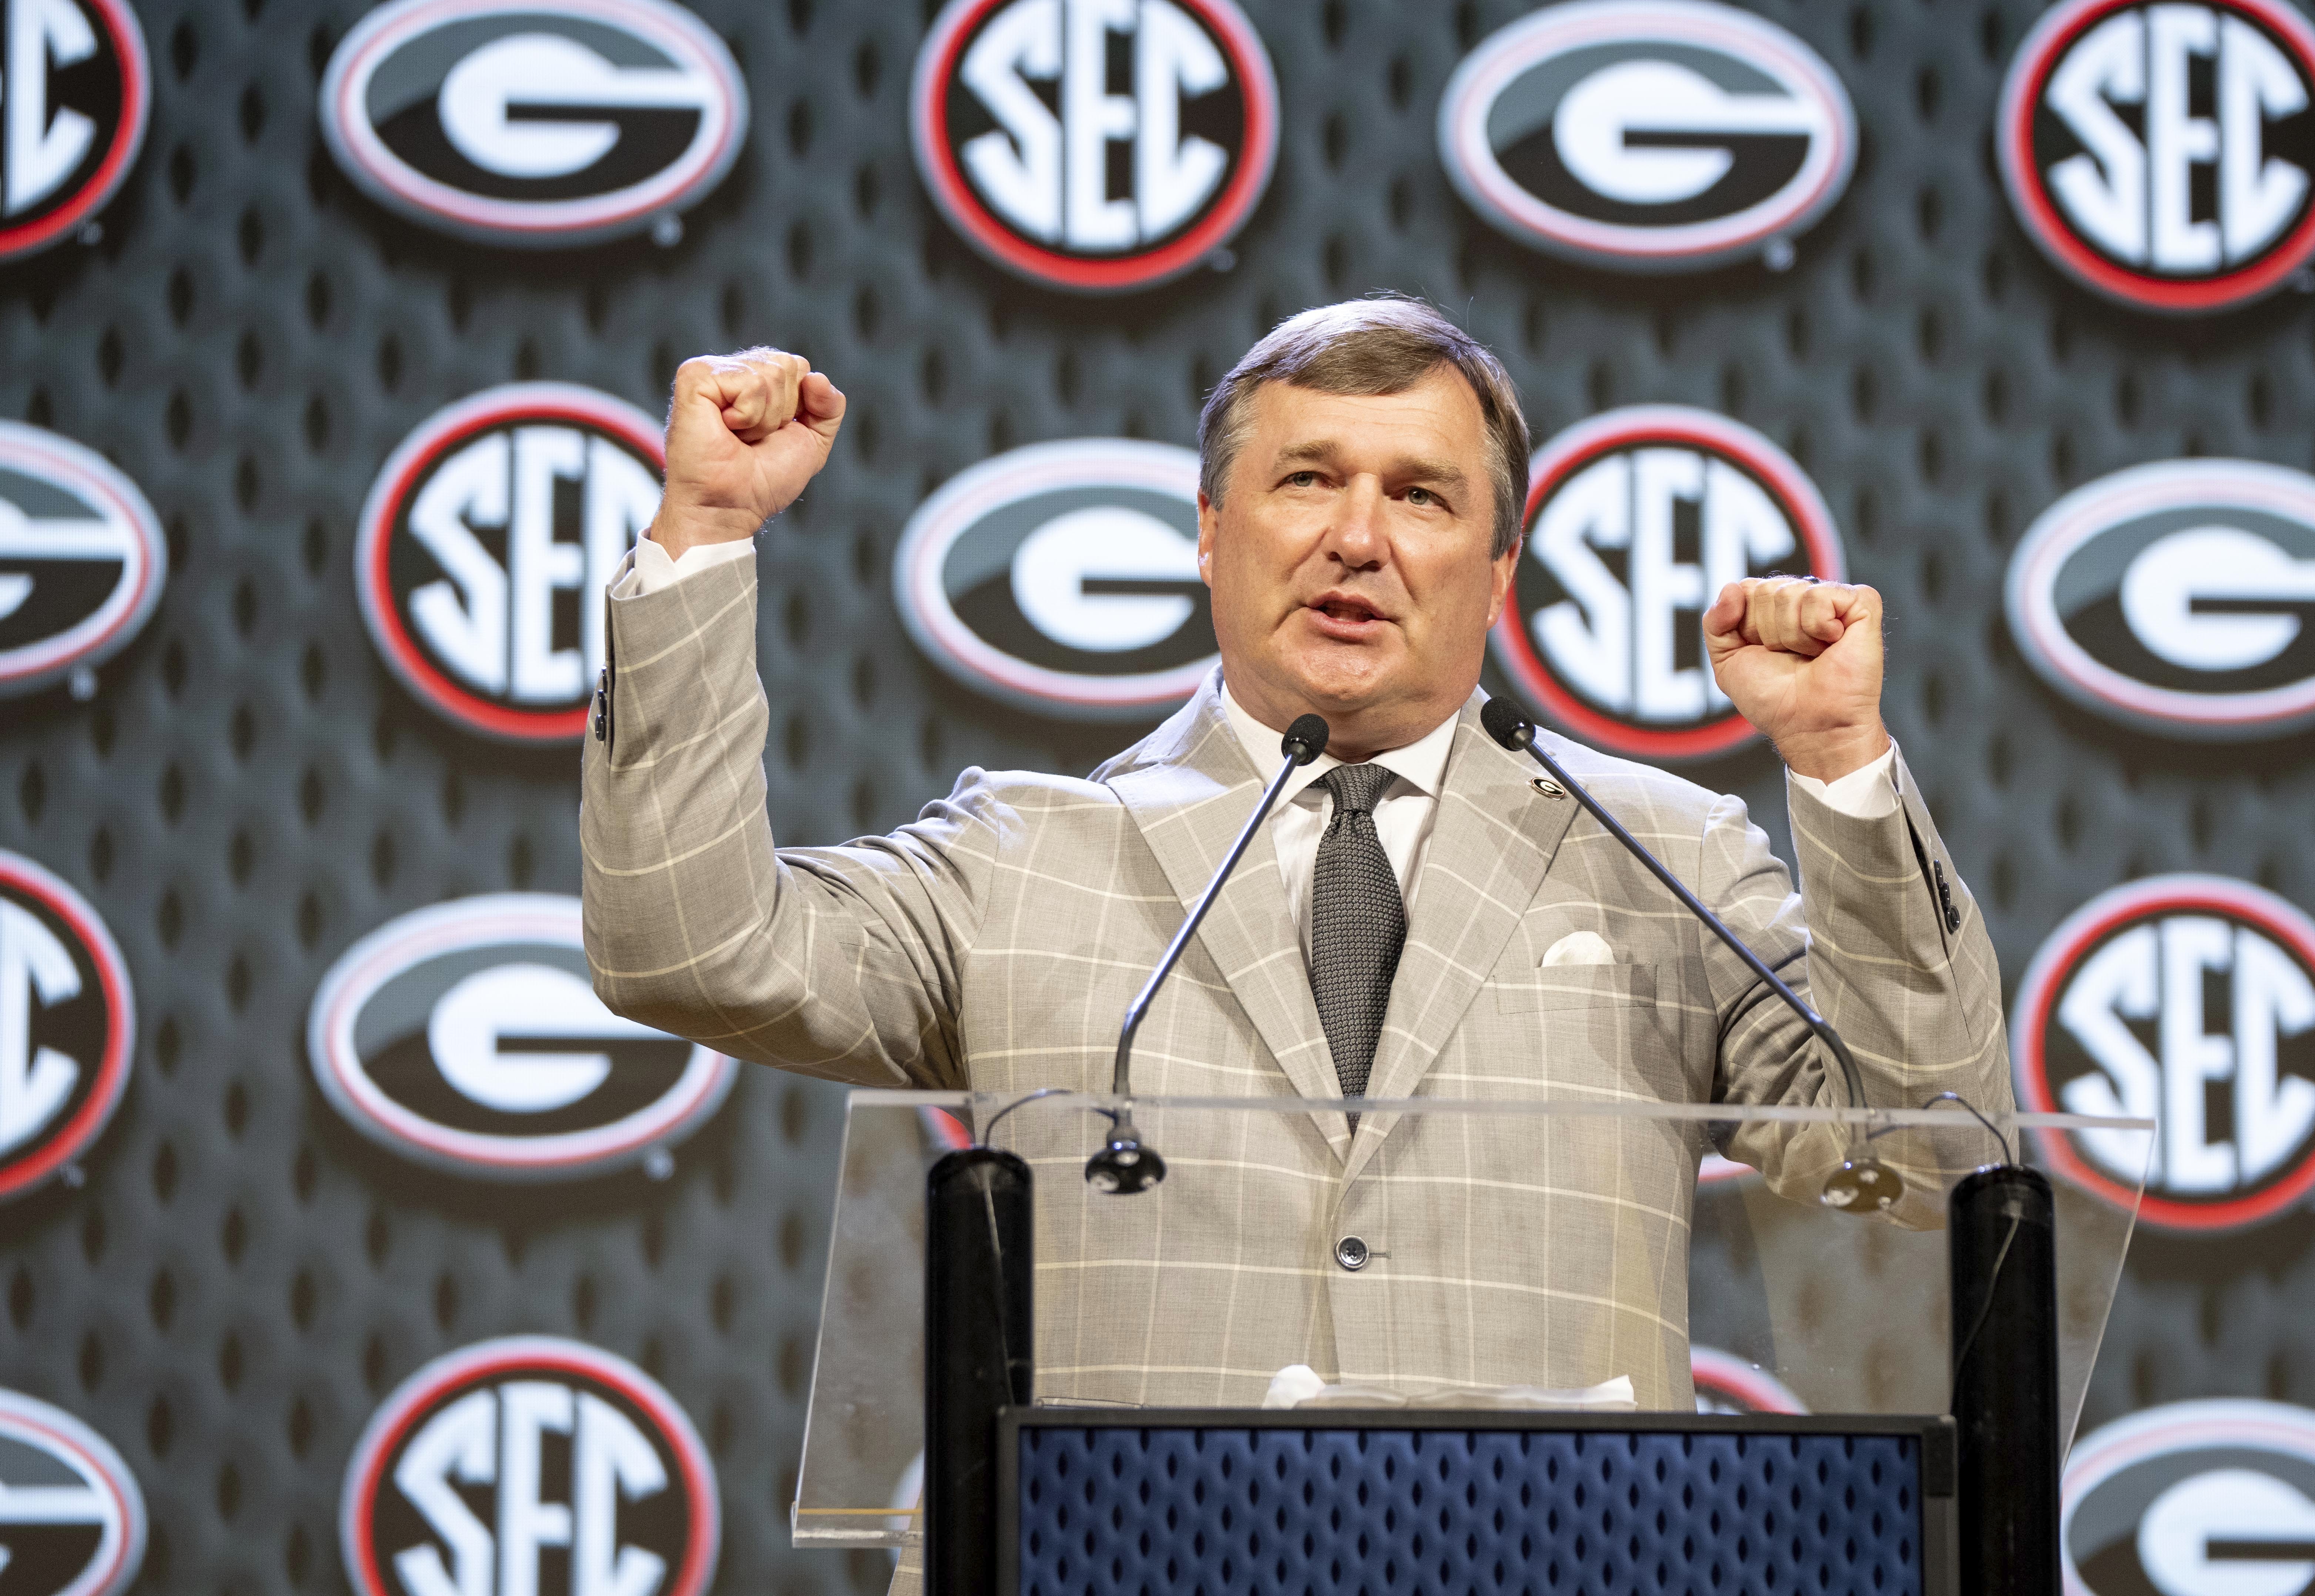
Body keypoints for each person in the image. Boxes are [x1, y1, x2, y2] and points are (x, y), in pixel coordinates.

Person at [580, 297, 2013, 1413]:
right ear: (1211, 535)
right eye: (1308, 480)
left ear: (1500, 572)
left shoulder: (1664, 855)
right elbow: (685, 944)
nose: (1356, 538)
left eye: (1424, 497)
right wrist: (703, 533)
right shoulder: (1026, 858)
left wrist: (1839, 768)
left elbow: (1927, 1154)